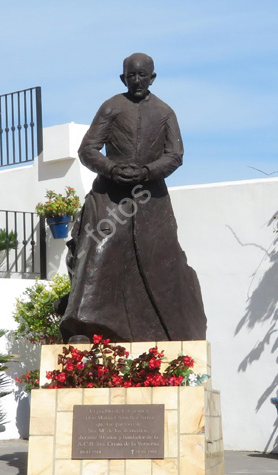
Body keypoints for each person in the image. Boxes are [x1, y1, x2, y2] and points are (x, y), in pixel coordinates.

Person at [59, 53, 207, 343]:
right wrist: (112, 169)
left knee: (161, 261)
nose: (137, 81)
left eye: (143, 76)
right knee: (97, 250)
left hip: (151, 198)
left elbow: (175, 155)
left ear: (152, 78)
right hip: (110, 195)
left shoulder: (165, 112)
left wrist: (148, 171)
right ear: (123, 78)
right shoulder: (112, 107)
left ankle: (168, 335)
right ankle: (86, 328)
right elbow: (88, 149)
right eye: (131, 76)